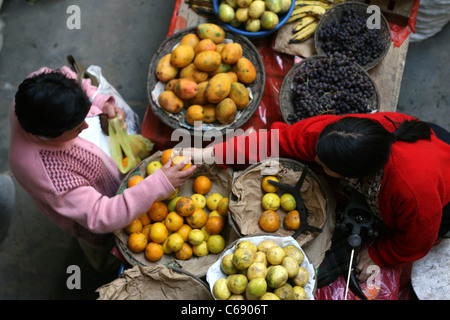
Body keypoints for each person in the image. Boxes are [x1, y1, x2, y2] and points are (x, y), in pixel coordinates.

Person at [206, 112, 450, 283]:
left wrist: (380, 254)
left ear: (353, 176)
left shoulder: (414, 193)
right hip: (421, 142)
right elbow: (278, 141)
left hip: (441, 187)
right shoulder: (341, 136)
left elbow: (419, 238)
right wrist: (207, 154)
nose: (317, 160)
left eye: (323, 164)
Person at [9, 67, 196, 272]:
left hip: (107, 168)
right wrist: (159, 184)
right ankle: (104, 265)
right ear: (52, 134)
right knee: (109, 245)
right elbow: (100, 216)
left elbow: (74, 79)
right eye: (77, 127)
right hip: (98, 215)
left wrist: (100, 104)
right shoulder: (51, 173)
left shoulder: (39, 90)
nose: (86, 126)